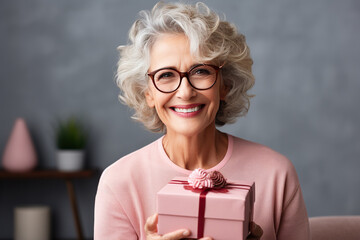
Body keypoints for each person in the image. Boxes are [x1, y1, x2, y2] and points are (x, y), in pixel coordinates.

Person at [94, 2, 310, 240]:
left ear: (224, 85)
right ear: (148, 94)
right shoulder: (118, 183)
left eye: (201, 71)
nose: (185, 92)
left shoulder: (277, 174)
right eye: (166, 75)